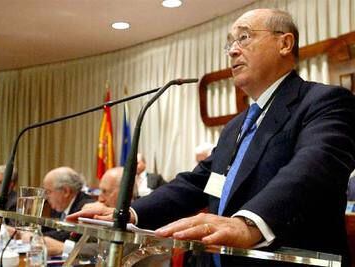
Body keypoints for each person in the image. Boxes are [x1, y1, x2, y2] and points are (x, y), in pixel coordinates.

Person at [69, 8, 355, 266]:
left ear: (285, 43)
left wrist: (249, 223)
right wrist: (129, 214)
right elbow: (196, 183)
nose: (232, 50)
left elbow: (312, 168)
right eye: (229, 43)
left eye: (243, 37)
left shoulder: (324, 101)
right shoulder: (236, 126)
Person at [41, 166, 94, 241]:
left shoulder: (85, 208)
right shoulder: (59, 205)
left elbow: (69, 235)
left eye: (48, 192)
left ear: (66, 191)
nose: (46, 197)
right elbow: (52, 230)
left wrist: (36, 236)